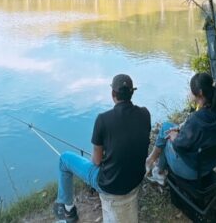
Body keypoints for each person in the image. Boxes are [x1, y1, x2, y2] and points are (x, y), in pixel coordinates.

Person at [53, 74, 151, 223]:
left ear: (113, 94)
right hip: (136, 178)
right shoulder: (145, 114)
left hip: (109, 184)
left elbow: (97, 161)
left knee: (64, 159)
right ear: (132, 93)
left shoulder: (103, 119)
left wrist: (106, 155)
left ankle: (68, 211)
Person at [145, 72, 216, 184]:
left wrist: (174, 136)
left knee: (167, 135)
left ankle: (157, 170)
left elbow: (179, 145)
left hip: (192, 171)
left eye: (191, 90)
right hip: (209, 165)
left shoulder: (197, 119)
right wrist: (179, 130)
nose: (189, 92)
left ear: (199, 93)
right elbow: (198, 135)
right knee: (167, 126)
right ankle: (153, 163)